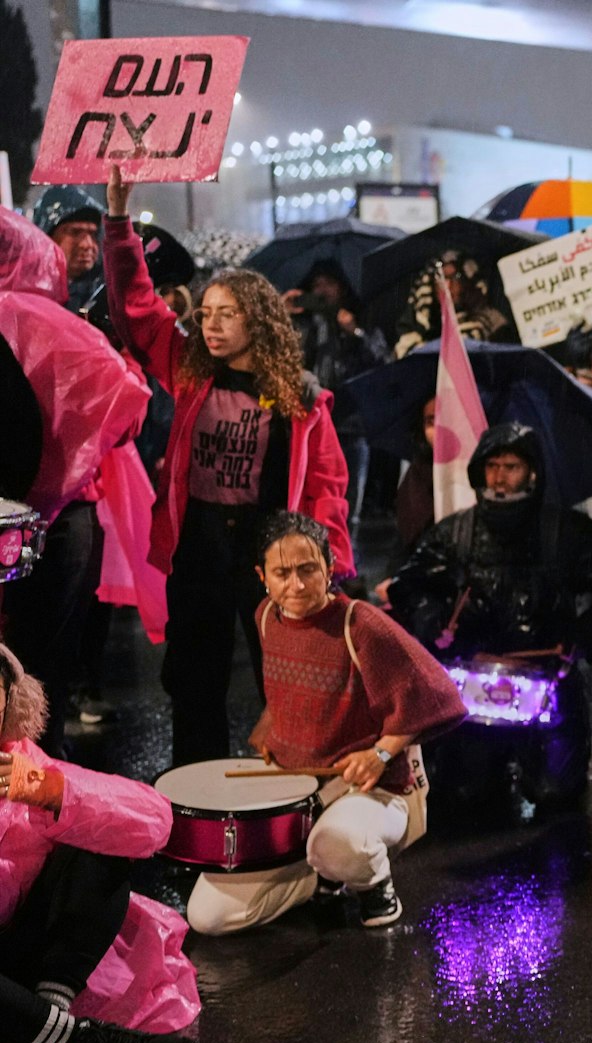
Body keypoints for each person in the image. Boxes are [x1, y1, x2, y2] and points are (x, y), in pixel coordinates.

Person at [103, 168, 354, 766]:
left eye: (226, 315)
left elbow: (327, 486)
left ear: (257, 322)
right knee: (193, 684)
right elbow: (137, 309)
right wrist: (118, 222)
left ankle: (294, 795)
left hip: (264, 553)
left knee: (285, 683)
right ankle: (195, 806)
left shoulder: (300, 399)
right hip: (199, 549)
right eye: (207, 312)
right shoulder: (190, 370)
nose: (210, 325)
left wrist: (332, 562)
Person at [187, 513, 465, 935]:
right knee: (208, 917)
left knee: (339, 842)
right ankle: (320, 875)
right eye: (282, 573)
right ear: (262, 576)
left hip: (370, 792)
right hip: (296, 796)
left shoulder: (360, 623)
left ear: (329, 568)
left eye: (308, 569)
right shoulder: (266, 616)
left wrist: (381, 753)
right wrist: (271, 726)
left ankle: (373, 884)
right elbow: (292, 689)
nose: (296, 585)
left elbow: (439, 694)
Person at [388, 423, 592, 810]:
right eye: (492, 465)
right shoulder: (456, 533)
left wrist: (579, 637)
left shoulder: (564, 532)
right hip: (471, 695)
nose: (499, 477)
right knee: (464, 798)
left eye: (511, 466)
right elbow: (407, 586)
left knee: (554, 793)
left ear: (532, 472)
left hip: (548, 686)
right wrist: (439, 622)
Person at [0, 643, 202, 1043]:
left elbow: (153, 822)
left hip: (28, 958)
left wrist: (46, 790)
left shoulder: (22, 761)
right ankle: (88, 1042)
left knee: (100, 838)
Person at [0, 210, 151, 756]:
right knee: (46, 662)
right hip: (64, 521)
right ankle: (39, 785)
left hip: (29, 522)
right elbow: (129, 413)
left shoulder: (28, 320)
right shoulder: (61, 325)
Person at [289, 266, 389, 531]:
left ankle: (346, 567)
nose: (321, 290)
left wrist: (353, 332)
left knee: (346, 507)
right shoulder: (301, 324)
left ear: (342, 288)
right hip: (309, 427)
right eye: (316, 284)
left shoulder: (361, 320)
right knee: (308, 507)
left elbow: (381, 364)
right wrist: (282, 313)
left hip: (350, 428)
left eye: (328, 283)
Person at [29, 186, 104, 312]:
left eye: (93, 234)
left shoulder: (104, 293)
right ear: (47, 236)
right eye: (75, 233)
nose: (87, 245)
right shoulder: (24, 292)